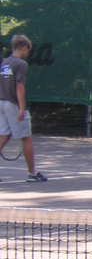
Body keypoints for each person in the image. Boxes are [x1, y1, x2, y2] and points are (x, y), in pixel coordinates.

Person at [0, 34, 47, 182]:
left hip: (1, 103)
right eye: (28, 49)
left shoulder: (4, 63)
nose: (28, 53)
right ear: (24, 47)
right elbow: (19, 86)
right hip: (13, 104)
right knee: (26, 138)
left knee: (3, 136)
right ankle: (32, 174)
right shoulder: (21, 64)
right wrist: (21, 108)